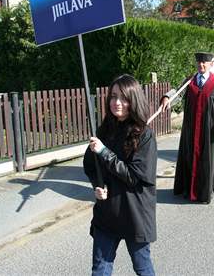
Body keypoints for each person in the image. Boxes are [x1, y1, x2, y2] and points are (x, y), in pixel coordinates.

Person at [83, 74, 157, 276]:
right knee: (100, 269)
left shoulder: (144, 136)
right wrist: (98, 185)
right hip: (108, 212)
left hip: (134, 212)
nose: (117, 102)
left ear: (133, 100)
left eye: (123, 98)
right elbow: (90, 165)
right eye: (113, 96)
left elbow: (135, 176)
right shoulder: (104, 130)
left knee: (142, 267)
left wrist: (104, 152)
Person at [160, 52, 214, 204]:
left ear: (210, 64)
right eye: (199, 62)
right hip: (190, 130)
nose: (201, 65)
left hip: (209, 131)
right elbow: (178, 93)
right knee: (189, 158)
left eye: (205, 63)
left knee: (206, 162)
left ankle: (203, 193)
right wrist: (167, 97)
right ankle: (187, 189)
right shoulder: (189, 81)